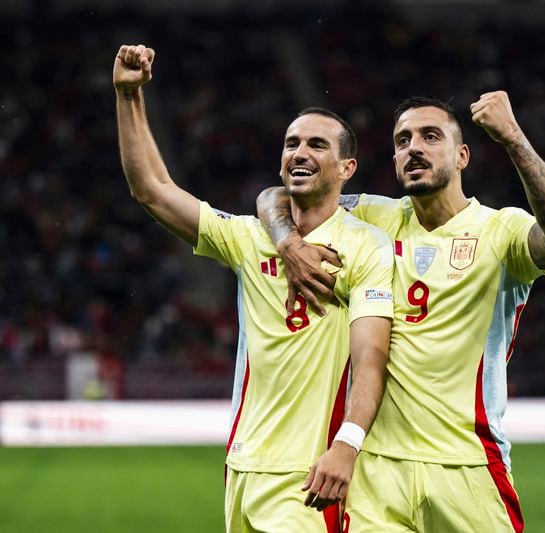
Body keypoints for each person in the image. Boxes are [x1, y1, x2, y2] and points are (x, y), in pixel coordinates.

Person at [257, 93, 545, 532]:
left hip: (467, 464)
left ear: (462, 155)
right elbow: (278, 194)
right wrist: (288, 242)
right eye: (403, 140)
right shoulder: (374, 217)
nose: (414, 147)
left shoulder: (500, 230)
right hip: (379, 473)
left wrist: (513, 138)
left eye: (431, 137)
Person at [114, 44, 394, 532]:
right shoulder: (251, 237)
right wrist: (128, 96)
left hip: (307, 475)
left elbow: (372, 358)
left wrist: (346, 446)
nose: (299, 152)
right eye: (291, 144)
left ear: (347, 169)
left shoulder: (365, 247)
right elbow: (152, 190)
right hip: (241, 466)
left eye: (317, 145)